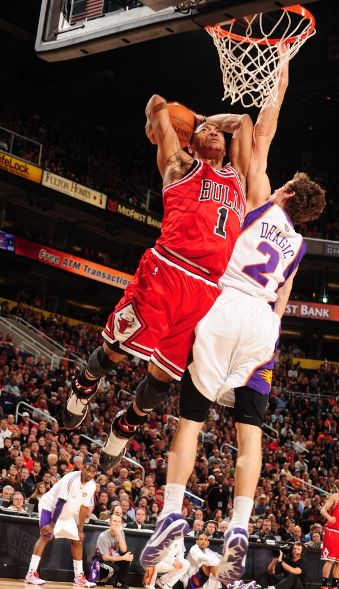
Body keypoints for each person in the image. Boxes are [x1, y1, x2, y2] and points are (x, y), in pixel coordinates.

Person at [139, 45, 326, 584]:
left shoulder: (263, 197)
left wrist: (283, 73)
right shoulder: (299, 246)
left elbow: (258, 128)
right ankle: (240, 525)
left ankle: (172, 511)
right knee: (251, 436)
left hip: (225, 303)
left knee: (191, 419)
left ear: (288, 190)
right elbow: (284, 300)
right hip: (265, 328)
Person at [63, 94, 253, 474]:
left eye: (218, 132)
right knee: (114, 349)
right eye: (206, 132)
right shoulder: (178, 165)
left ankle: (124, 426)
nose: (216, 133)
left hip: (206, 290)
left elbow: (244, 123)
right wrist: (186, 121)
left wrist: (204, 118)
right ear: (190, 141)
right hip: (167, 270)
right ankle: (85, 385)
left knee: (163, 376)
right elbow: (156, 102)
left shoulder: (239, 178)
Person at [25, 462, 97, 587]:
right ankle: (31, 573)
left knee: (77, 540)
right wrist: (52, 525)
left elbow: (84, 509)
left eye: (92, 472)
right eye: (87, 470)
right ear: (82, 469)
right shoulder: (71, 478)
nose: (89, 474)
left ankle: (79, 577)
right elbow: (60, 502)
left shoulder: (92, 486)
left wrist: (80, 530)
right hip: (50, 507)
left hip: (66, 512)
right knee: (46, 535)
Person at [95, 512, 134, 589]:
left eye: (119, 522)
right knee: (115, 567)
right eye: (114, 521)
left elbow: (123, 550)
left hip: (113, 558)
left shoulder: (121, 532)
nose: (116, 524)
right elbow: (105, 558)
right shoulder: (103, 536)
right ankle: (100, 580)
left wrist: (119, 534)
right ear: (110, 523)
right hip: (100, 562)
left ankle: (119, 582)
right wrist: (123, 558)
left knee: (127, 555)